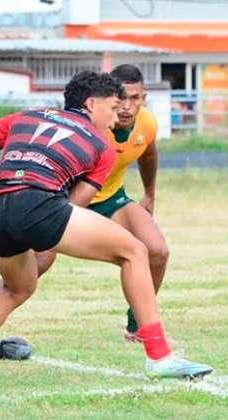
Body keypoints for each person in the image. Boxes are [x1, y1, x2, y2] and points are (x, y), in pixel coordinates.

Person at [0, 70, 213, 382]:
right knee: (135, 251)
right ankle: (159, 357)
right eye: (111, 108)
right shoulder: (101, 144)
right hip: (39, 204)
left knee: (17, 288)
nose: (114, 119)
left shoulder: (27, 116)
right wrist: (34, 229)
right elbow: (72, 206)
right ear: (92, 104)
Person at [87, 64, 168, 341]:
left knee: (157, 251)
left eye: (134, 98)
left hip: (111, 199)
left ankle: (137, 327)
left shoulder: (148, 122)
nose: (126, 106)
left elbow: (148, 155)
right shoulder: (93, 124)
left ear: (143, 98)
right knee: (36, 267)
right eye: (120, 98)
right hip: (69, 202)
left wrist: (149, 194)